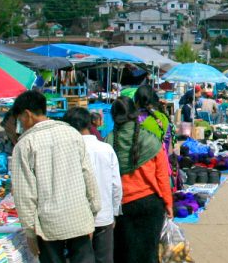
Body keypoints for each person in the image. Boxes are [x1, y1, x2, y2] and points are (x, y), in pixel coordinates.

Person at [9, 91, 101, 263]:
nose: (20, 124)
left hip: (48, 225)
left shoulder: (25, 144)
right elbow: (88, 175)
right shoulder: (72, 134)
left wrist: (29, 231)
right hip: (79, 216)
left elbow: (24, 194)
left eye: (20, 119)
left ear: (27, 114)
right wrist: (93, 213)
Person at [110, 97, 173, 263]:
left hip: (122, 207)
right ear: (135, 114)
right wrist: (168, 203)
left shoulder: (108, 142)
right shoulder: (151, 141)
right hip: (151, 205)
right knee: (148, 253)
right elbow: (162, 177)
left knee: (124, 254)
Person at [61, 108, 122, 263]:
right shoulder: (106, 149)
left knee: (80, 258)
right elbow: (116, 185)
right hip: (104, 215)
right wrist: (114, 212)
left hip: (77, 218)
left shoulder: (68, 151)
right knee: (104, 258)